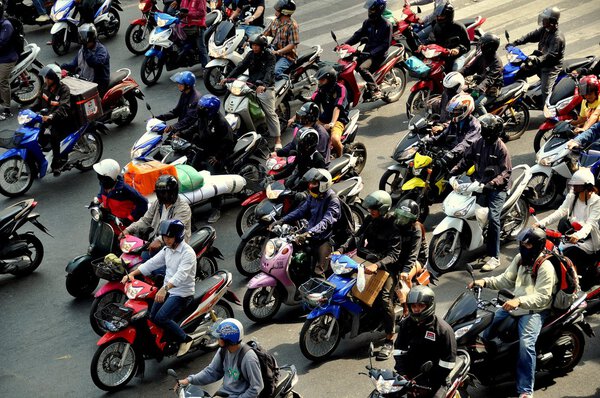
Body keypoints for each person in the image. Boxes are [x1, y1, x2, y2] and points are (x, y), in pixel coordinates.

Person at [469, 228, 557, 398]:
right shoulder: (520, 259)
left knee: (526, 345)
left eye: (527, 244)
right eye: (521, 243)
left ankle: (525, 390)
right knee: (487, 326)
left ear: (537, 246)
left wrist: (519, 301)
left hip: (534, 310)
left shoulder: (545, 266)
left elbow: (542, 298)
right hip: (515, 305)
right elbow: (506, 279)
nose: (523, 246)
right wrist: (484, 282)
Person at [337, 190, 401, 360]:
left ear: (384, 209)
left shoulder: (394, 226)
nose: (370, 212)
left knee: (385, 299)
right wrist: (341, 249)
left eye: (374, 209)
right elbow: (356, 237)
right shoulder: (369, 219)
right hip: (366, 261)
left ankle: (389, 339)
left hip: (387, 267)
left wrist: (378, 265)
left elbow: (394, 255)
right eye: (370, 209)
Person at [121, 219, 197, 357]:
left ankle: (185, 339)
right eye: (165, 237)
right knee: (151, 316)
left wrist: (164, 288)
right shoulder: (167, 249)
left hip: (182, 293)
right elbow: (151, 263)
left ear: (178, 236)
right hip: (168, 289)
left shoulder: (188, 253)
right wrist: (132, 273)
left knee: (161, 318)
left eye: (170, 237)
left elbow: (181, 276)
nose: (166, 240)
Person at [449, 114, 512, 271]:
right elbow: (466, 160)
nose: (482, 131)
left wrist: (492, 183)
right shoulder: (479, 143)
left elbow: (505, 173)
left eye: (485, 129)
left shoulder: (501, 148)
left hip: (495, 188)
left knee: (493, 218)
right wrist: (455, 171)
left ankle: (494, 256)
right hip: (477, 184)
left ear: (493, 131)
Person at [533, 168, 600, 290]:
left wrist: (578, 236)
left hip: (588, 242)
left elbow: (590, 224)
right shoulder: (572, 196)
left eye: (577, 186)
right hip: (571, 235)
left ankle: (572, 285)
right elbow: (560, 212)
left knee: (566, 256)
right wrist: (541, 224)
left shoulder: (596, 202)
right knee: (550, 250)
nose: (573, 188)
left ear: (587, 186)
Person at [394, 285, 457, 398]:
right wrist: (402, 373)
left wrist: (426, 384)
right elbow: (399, 350)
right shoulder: (406, 324)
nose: (416, 309)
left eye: (421, 305)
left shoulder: (443, 330)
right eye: (413, 306)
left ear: (429, 305)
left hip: (435, 378)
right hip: (411, 374)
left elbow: (447, 364)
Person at [276, 168, 340, 277]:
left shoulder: (333, 201)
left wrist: (309, 233)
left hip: (323, 239)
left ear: (323, 184)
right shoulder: (313, 196)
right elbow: (300, 211)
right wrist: (282, 220)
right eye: (310, 183)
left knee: (318, 272)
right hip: (308, 234)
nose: (310, 186)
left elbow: (325, 222)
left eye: (314, 183)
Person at [177, 318, 264, 398]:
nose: (217, 339)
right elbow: (211, 372)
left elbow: (256, 387)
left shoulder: (249, 358)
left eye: (219, 337)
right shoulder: (223, 351)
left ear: (227, 340)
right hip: (224, 393)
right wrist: (189, 380)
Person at [223, 34, 281, 148]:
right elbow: (241, 66)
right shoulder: (251, 54)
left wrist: (264, 85)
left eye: (257, 46)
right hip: (251, 83)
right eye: (253, 45)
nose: (254, 47)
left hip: (266, 86)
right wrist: (228, 78)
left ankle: (278, 139)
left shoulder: (270, 56)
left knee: (270, 113)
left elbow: (270, 71)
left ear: (262, 46)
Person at [187, 94, 235, 223]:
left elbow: (228, 142)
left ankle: (216, 208)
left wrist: (218, 157)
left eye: (202, 108)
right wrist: (181, 133)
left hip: (217, 154)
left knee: (214, 179)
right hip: (204, 149)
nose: (199, 109)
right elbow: (195, 128)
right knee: (190, 170)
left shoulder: (220, 122)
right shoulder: (203, 117)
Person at [122, 175, 192, 257]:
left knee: (146, 261)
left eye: (164, 193)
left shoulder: (183, 208)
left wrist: (159, 241)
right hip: (155, 242)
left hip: (174, 246)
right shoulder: (158, 204)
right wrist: (129, 229)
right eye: (159, 193)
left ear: (172, 192)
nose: (161, 196)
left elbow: (174, 230)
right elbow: (145, 220)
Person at [509, 7, 565, 103]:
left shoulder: (557, 38)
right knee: (520, 71)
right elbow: (531, 35)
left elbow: (550, 56)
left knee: (546, 92)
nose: (543, 21)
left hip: (551, 66)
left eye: (545, 19)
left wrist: (535, 60)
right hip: (539, 60)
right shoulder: (544, 30)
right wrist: (515, 43)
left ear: (551, 21)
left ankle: (548, 112)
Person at [342, 0, 392, 100]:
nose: (370, 12)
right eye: (369, 10)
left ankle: (375, 89)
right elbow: (357, 35)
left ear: (379, 10)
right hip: (366, 52)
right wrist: (345, 44)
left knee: (362, 68)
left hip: (378, 55)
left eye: (372, 10)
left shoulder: (386, 25)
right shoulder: (368, 22)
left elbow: (385, 44)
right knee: (350, 65)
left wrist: (371, 53)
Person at [31, 64, 71, 172]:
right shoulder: (45, 87)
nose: (46, 80)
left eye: (49, 78)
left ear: (55, 78)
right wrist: (29, 111)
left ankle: (57, 162)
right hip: (45, 117)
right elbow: (38, 102)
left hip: (60, 120)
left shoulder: (64, 90)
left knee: (54, 136)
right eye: (46, 77)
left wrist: (52, 116)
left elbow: (64, 107)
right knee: (35, 134)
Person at [425, 93, 481, 168]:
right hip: (452, 150)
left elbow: (466, 144)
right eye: (452, 111)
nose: (452, 113)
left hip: (464, 155)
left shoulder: (474, 125)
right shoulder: (456, 121)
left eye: (456, 111)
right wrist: (429, 140)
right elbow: (444, 134)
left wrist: (451, 154)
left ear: (465, 110)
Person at [393, 199, 429, 311]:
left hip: (417, 259)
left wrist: (406, 270)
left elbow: (414, 253)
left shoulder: (416, 229)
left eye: (405, 217)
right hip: (400, 256)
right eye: (400, 215)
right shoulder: (395, 224)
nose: (401, 219)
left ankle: (408, 306)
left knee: (404, 278)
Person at [92, 158, 148, 224]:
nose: (100, 179)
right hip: (110, 224)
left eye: (101, 177)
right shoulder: (104, 186)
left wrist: (129, 219)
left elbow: (143, 203)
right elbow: (101, 195)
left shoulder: (125, 190)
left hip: (124, 227)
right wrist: (97, 201)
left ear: (108, 178)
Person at [310, 66, 349, 158]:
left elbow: (337, 107)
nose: (320, 82)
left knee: (335, 139)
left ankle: (341, 158)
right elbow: (310, 103)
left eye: (322, 80)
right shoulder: (321, 90)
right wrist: (294, 118)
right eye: (319, 80)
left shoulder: (341, 89)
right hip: (324, 118)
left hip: (338, 120)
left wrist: (332, 123)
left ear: (330, 79)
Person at [461, 33, 504, 116]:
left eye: (482, 45)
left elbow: (489, 80)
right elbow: (469, 68)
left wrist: (478, 89)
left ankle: (488, 123)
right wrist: (457, 73)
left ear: (489, 47)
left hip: (493, 89)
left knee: (477, 104)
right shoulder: (482, 56)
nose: (480, 46)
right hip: (480, 84)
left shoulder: (497, 64)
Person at [61, 24, 110, 96]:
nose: (82, 40)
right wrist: (61, 67)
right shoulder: (82, 49)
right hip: (84, 82)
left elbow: (95, 63)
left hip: (98, 84)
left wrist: (86, 51)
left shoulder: (101, 50)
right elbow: (74, 64)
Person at [425, 2, 470, 73]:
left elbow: (467, 46)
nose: (439, 18)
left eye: (441, 16)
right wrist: (423, 46)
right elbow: (431, 40)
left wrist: (457, 49)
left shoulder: (459, 27)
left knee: (455, 71)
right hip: (442, 56)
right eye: (437, 16)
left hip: (457, 56)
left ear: (448, 15)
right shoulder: (436, 27)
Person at [262, 0, 299, 79]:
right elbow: (265, 33)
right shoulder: (275, 21)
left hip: (287, 57)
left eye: (277, 11)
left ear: (284, 12)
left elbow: (292, 44)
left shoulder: (292, 26)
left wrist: (278, 52)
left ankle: (286, 85)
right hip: (273, 52)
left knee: (274, 73)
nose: (275, 12)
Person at [157, 71, 201, 135]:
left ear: (188, 85)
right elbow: (176, 112)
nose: (178, 85)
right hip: (180, 127)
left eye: (181, 84)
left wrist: (173, 127)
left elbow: (188, 120)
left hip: (188, 131)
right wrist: (159, 118)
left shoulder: (195, 100)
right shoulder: (185, 94)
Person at [178, 0, 209, 70]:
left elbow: (202, 13)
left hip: (197, 26)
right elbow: (181, 9)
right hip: (185, 25)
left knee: (201, 48)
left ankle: (206, 69)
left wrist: (188, 14)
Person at [0, 2, 17, 121]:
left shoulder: (6, 25)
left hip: (7, 58)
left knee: (2, 81)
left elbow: (2, 42)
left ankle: (7, 109)